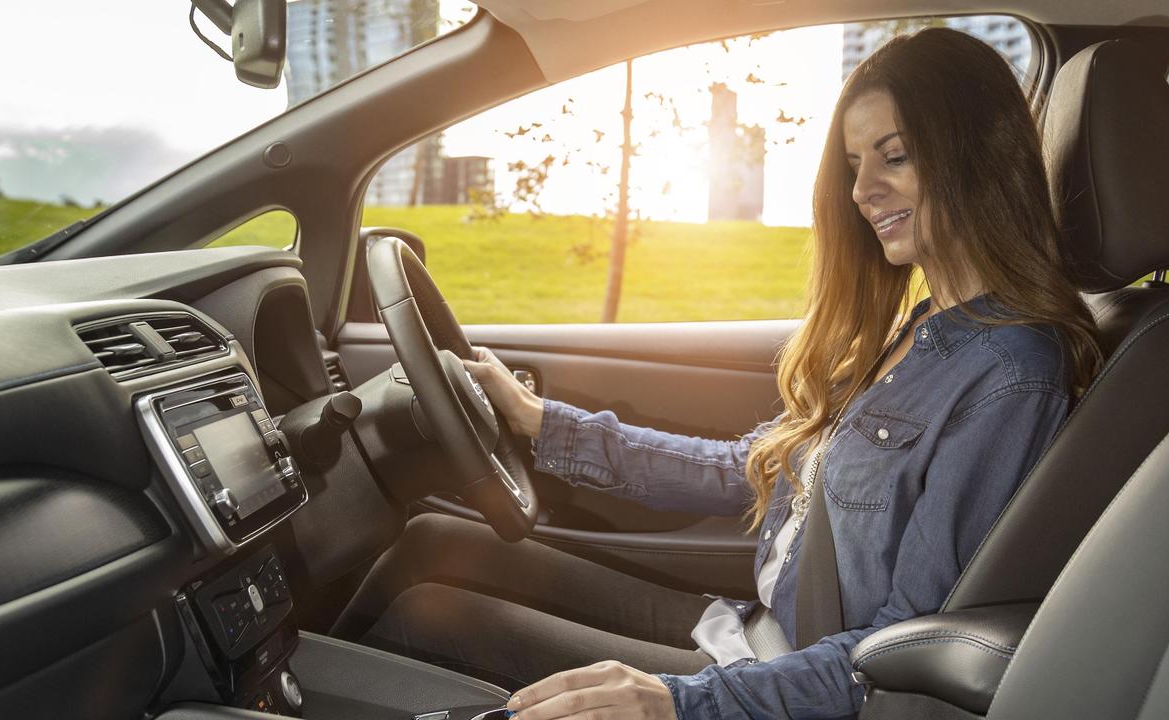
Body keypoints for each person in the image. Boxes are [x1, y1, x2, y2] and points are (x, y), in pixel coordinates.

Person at [331, 28, 1101, 719]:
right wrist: (542, 422)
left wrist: (679, 702)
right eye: (856, 163)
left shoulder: (1009, 372)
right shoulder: (922, 326)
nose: (863, 191)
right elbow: (750, 469)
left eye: (894, 156)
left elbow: (896, 653)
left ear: (976, 155)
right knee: (432, 541)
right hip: (747, 628)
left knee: (431, 612)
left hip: (783, 680)